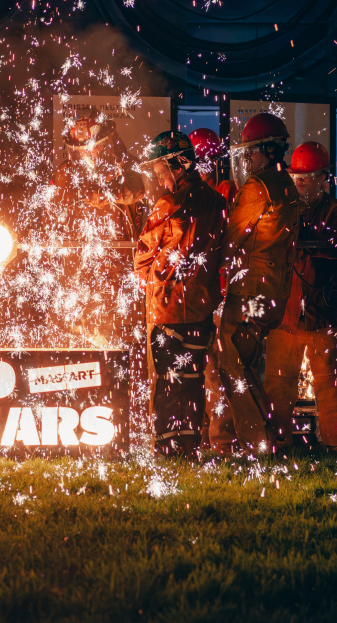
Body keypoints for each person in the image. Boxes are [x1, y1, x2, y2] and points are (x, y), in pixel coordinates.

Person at [209, 112, 301, 453]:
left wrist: (207, 273)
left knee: (233, 365)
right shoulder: (286, 184)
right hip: (274, 289)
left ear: (269, 151)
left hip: (249, 291)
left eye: (251, 152)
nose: (246, 159)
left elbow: (231, 236)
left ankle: (259, 441)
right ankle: (266, 437)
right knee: (244, 365)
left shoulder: (257, 186)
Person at [134, 131, 226, 455]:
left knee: (165, 379)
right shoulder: (217, 202)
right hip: (201, 308)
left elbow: (143, 255)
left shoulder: (168, 204)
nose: (159, 177)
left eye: (162, 169)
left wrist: (150, 281)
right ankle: (189, 443)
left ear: (178, 164)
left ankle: (164, 447)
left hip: (167, 308)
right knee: (192, 378)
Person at [263, 141, 337, 449]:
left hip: (322, 311)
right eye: (296, 177)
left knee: (329, 384)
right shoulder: (284, 210)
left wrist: (292, 238)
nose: (299, 183)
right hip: (286, 313)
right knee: (278, 383)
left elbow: (331, 246)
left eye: (305, 177)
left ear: (323, 177)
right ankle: (279, 442)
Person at [51, 108, 147, 346]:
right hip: (80, 268)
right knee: (81, 336)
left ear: (108, 140)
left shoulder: (126, 166)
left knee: (123, 336)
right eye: (82, 149)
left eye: (94, 146)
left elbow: (138, 190)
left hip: (120, 265)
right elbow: (53, 216)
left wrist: (105, 194)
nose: (88, 152)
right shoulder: (66, 172)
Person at [189, 127, 237, 204]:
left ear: (214, 162)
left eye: (200, 164)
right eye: (192, 165)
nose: (195, 170)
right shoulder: (189, 194)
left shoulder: (228, 190)